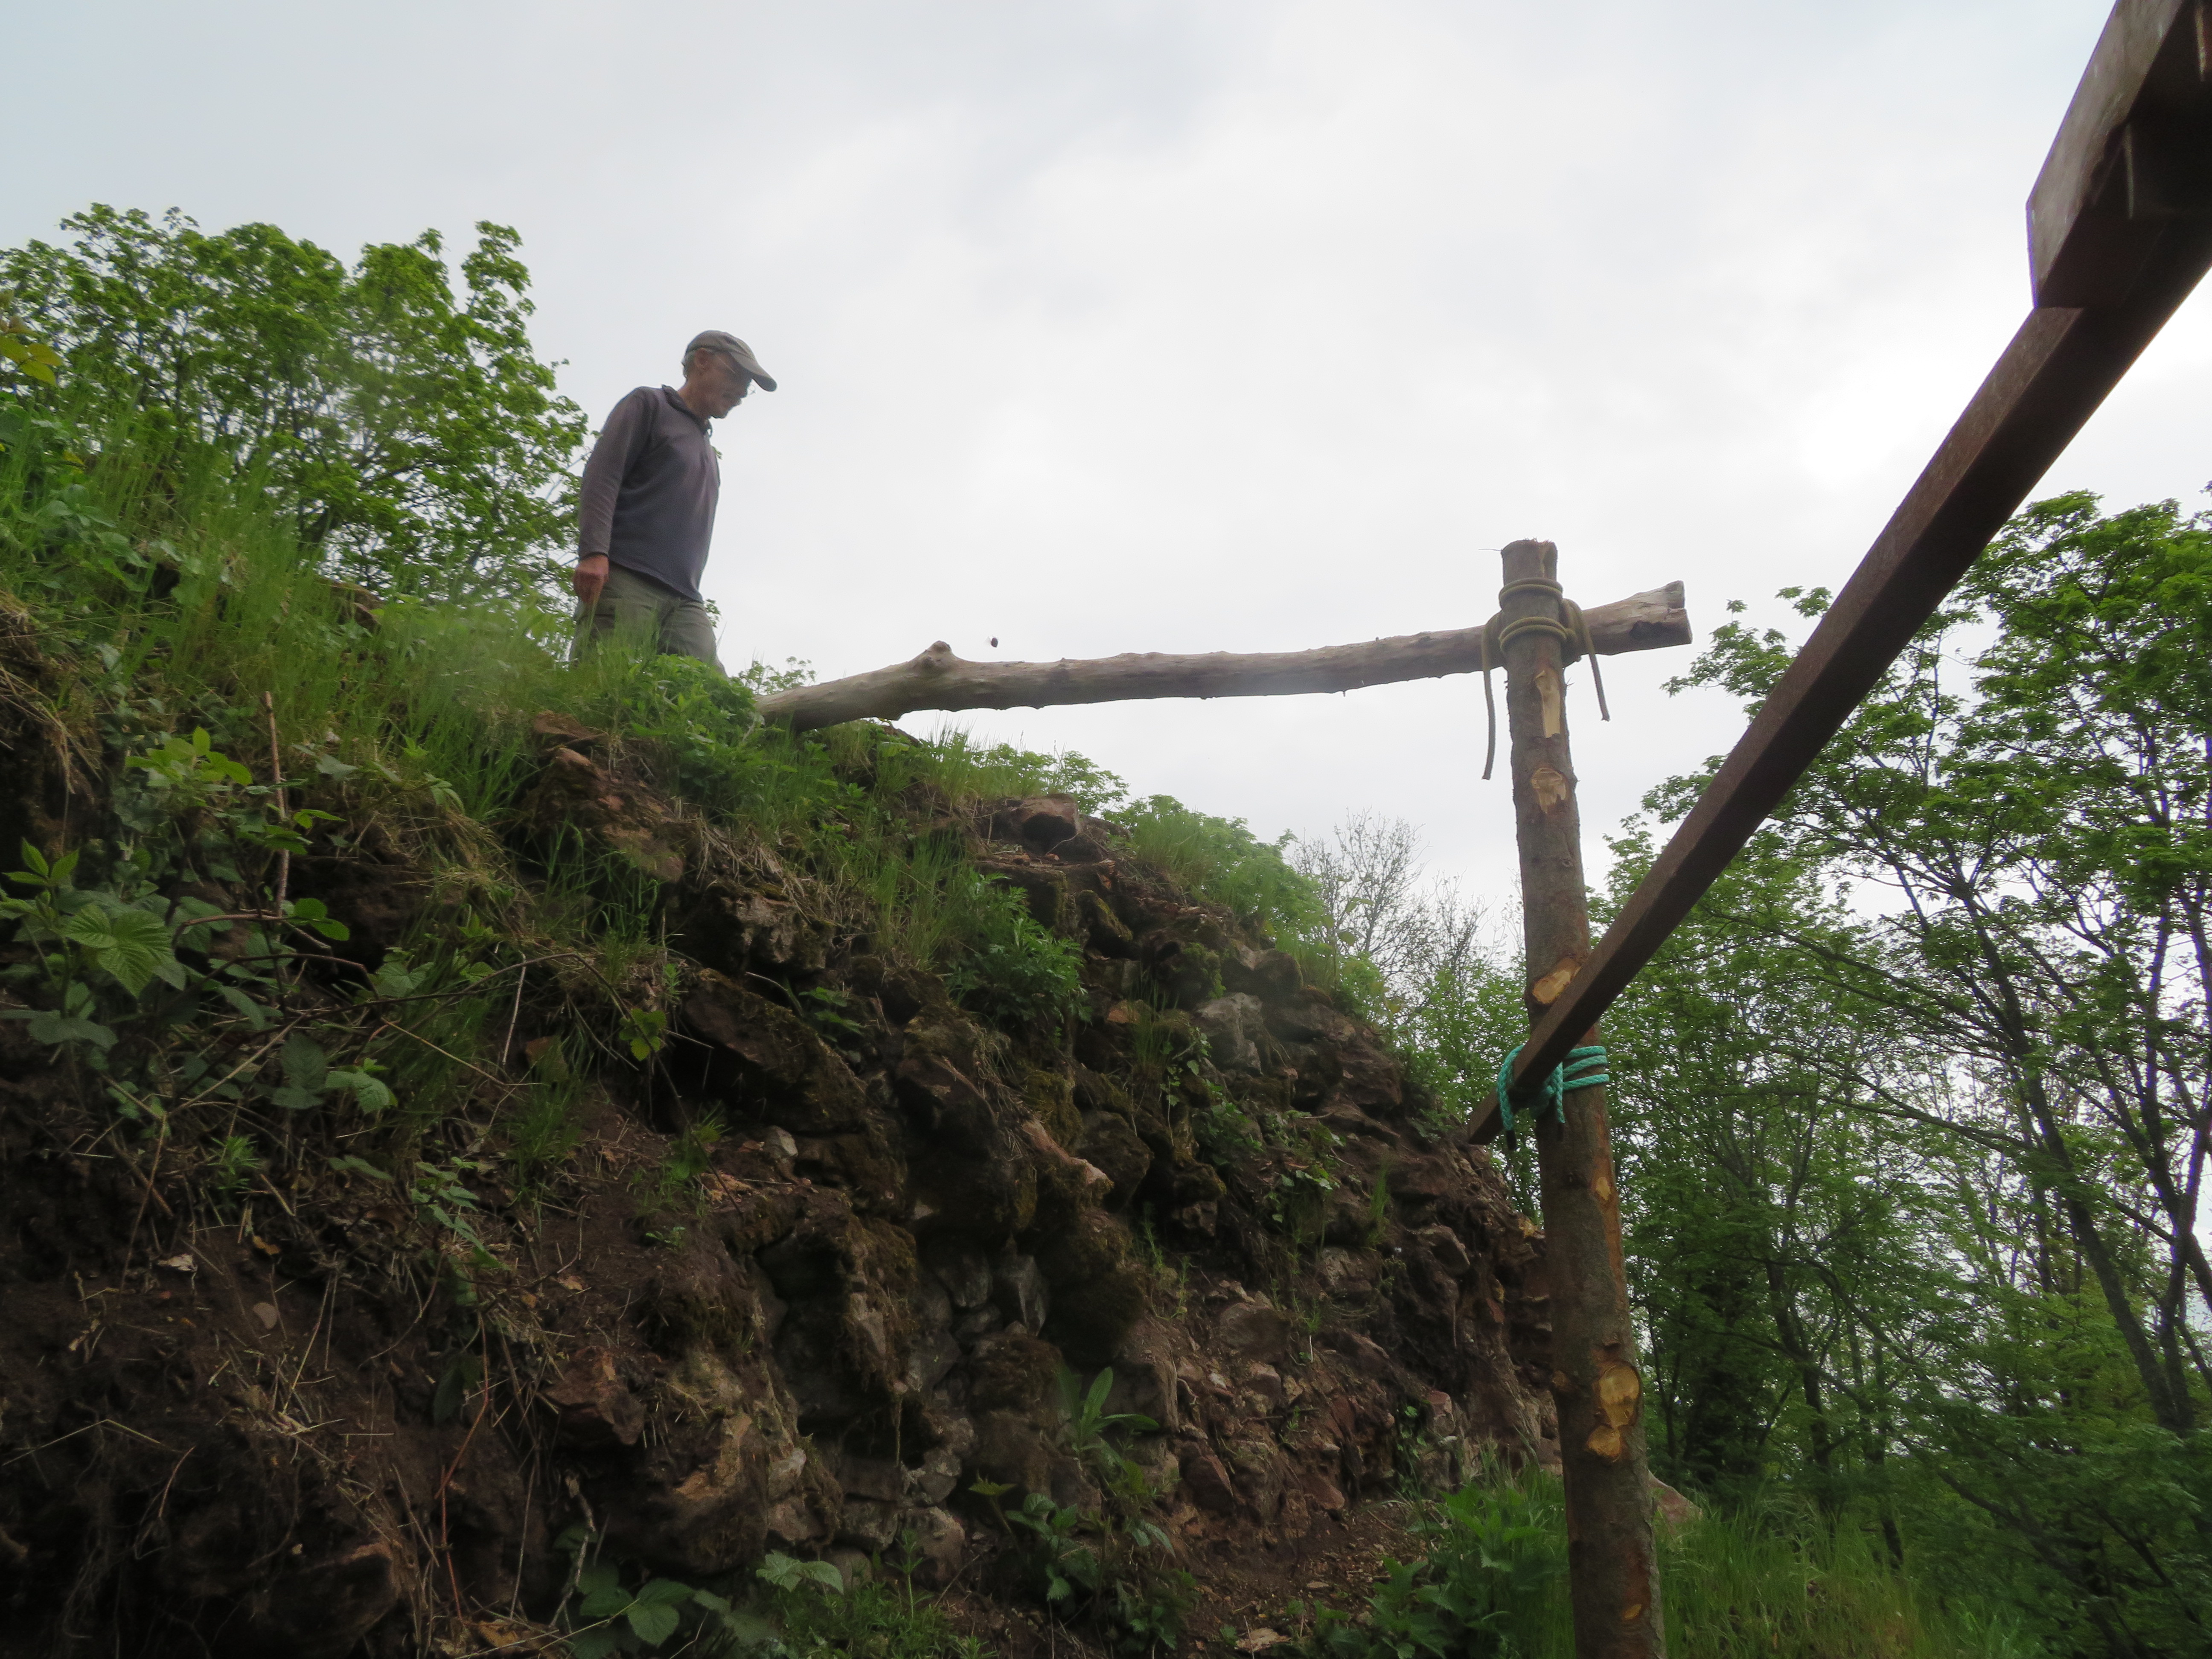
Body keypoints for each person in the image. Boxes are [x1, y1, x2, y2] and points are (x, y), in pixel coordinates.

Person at [572, 330, 777, 670]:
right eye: (737, 376)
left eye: (748, 387)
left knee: (711, 692)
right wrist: (594, 553)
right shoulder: (650, 405)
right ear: (703, 361)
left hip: (685, 597)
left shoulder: (708, 452)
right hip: (626, 578)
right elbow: (603, 476)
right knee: (601, 681)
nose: (742, 392)